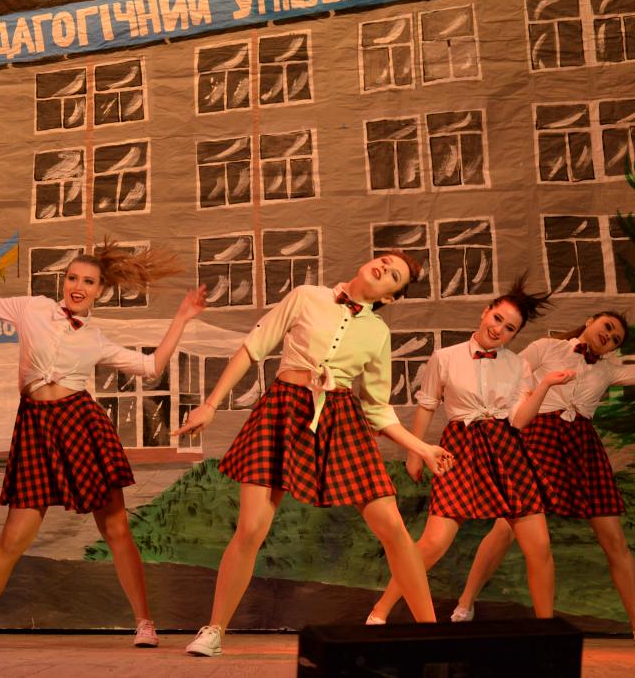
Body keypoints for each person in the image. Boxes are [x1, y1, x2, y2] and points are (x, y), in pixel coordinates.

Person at [0, 241, 206, 649]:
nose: (78, 287)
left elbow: (151, 366)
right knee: (12, 538)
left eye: (88, 282)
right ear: (63, 281)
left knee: (115, 528)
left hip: (80, 425)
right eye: (73, 278)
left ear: (100, 290)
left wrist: (181, 318)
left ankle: (145, 622)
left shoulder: (95, 339)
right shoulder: (33, 308)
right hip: (35, 428)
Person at [174, 252, 456, 657]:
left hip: (340, 418)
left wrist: (422, 447)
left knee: (393, 527)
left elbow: (377, 409)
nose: (382, 268)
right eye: (383, 260)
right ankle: (214, 630)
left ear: (390, 297)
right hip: (284, 409)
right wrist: (210, 405)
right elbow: (253, 348)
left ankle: (433, 637)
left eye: (393, 275)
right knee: (251, 528)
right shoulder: (307, 295)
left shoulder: (378, 333)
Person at [364, 279, 572, 624]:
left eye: (509, 328)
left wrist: (546, 384)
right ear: (485, 312)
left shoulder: (517, 365)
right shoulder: (445, 357)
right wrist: (416, 453)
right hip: (461, 448)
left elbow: (519, 420)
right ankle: (379, 612)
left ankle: (547, 631)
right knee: (433, 543)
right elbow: (427, 405)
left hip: (507, 450)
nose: (499, 330)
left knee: (539, 547)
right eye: (497, 319)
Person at [451, 311, 635, 638]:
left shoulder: (608, 369)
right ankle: (465, 604)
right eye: (607, 327)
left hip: (581, 446)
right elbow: (508, 373)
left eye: (615, 338)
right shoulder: (547, 347)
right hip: (539, 436)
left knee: (615, 540)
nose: (608, 336)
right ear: (590, 321)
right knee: (506, 528)